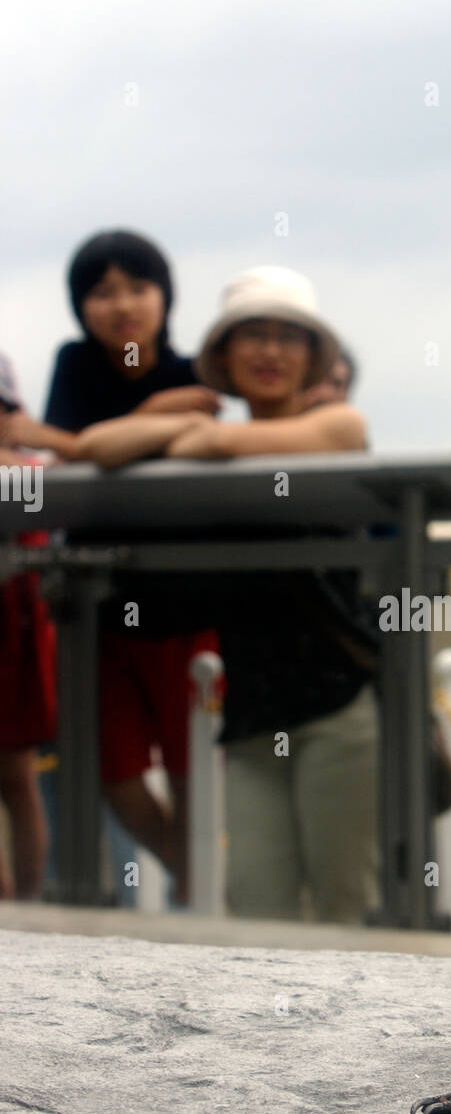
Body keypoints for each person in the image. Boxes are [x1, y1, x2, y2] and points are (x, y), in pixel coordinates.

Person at [73, 267, 380, 923]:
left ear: (312, 356)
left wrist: (192, 438)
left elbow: (249, 443)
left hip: (338, 710)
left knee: (346, 911)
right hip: (246, 721)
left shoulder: (338, 424)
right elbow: (95, 447)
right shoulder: (205, 433)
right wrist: (167, 417)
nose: (270, 351)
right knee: (254, 919)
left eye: (288, 338)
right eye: (253, 336)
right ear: (223, 354)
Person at [44, 230, 221, 902]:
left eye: (137, 287)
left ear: (165, 296)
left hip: (187, 606)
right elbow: (79, 451)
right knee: (113, 774)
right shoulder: (76, 365)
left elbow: (83, 445)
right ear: (80, 306)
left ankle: (199, 900)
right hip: (96, 611)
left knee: (189, 771)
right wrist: (150, 420)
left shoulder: (193, 372)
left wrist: (103, 439)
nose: (122, 305)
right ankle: (201, 883)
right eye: (101, 291)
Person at [0, 352, 59, 897]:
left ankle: (28, 899)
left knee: (19, 778)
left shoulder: (31, 471)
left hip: (15, 638)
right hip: (18, 635)